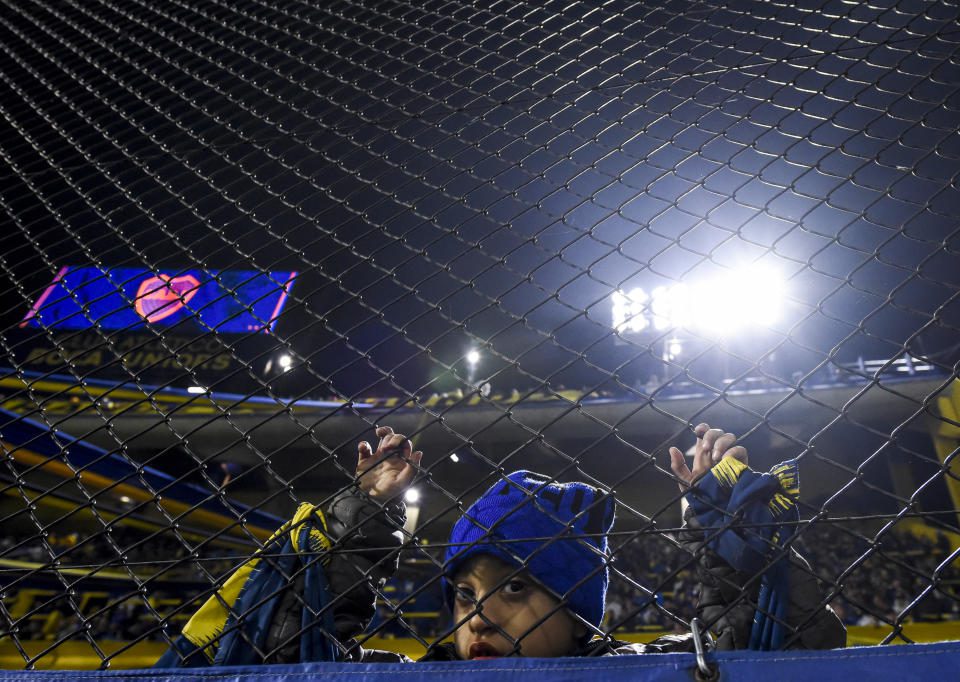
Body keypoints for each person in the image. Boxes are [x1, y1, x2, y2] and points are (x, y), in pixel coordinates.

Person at [156, 424, 844, 666]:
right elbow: (278, 644)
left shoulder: (651, 672)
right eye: (463, 593)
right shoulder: (419, 676)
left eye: (513, 587)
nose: (476, 616)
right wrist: (359, 520)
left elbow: (784, 648)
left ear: (578, 610)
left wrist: (733, 537)